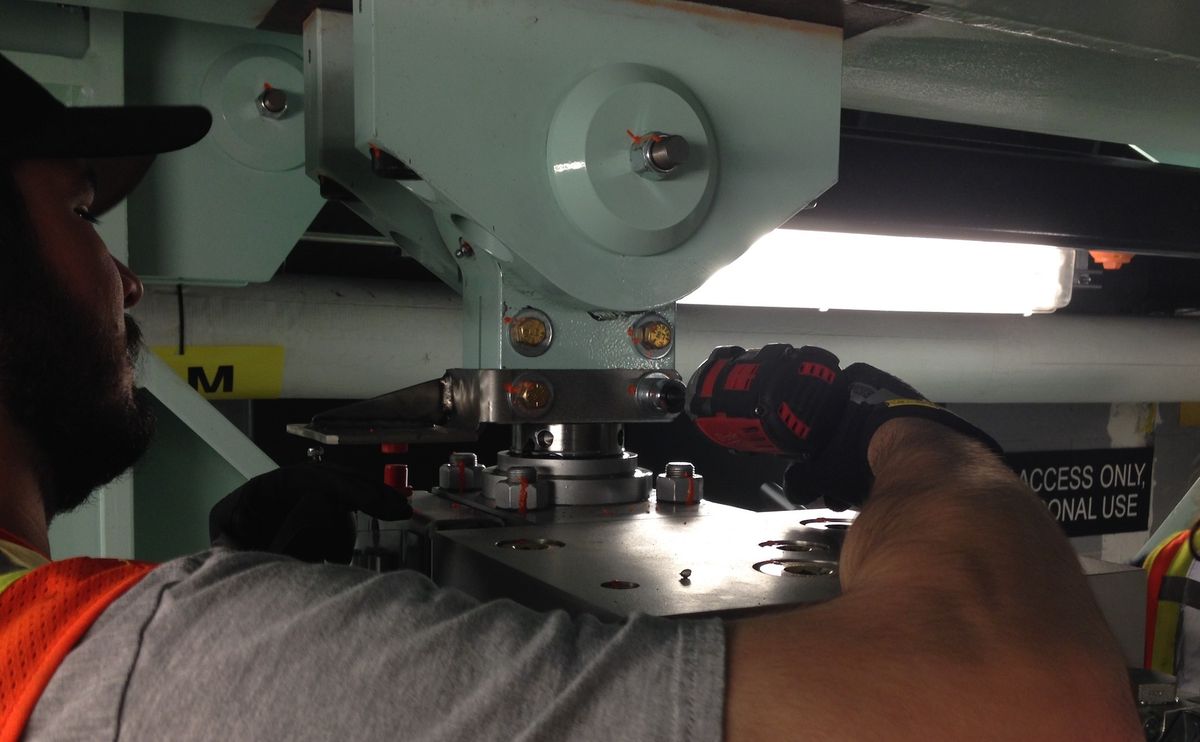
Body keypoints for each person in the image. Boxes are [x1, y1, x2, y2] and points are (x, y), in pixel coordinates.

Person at [0, 53, 1141, 740]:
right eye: (84, 211)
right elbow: (1022, 706)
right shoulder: (136, 671)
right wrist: (913, 436)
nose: (126, 275)